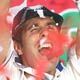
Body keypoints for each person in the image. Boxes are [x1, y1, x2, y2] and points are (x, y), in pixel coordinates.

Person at [0, 4, 80, 80]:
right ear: (18, 47)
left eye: (50, 27)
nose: (46, 32)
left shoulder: (72, 75)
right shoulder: (10, 73)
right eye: (34, 29)